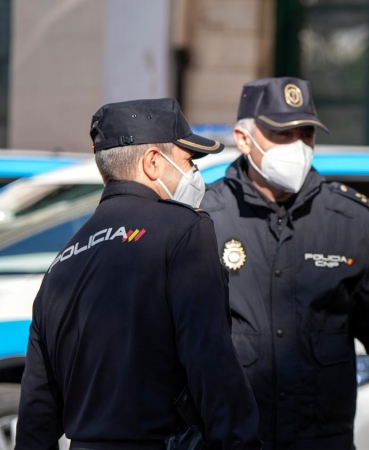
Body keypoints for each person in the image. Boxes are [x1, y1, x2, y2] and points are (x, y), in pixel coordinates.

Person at [16, 98, 261, 450]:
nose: (194, 173)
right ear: (152, 163)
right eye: (189, 161)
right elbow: (212, 363)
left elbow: (37, 414)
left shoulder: (62, 262)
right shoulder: (183, 230)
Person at [201, 77, 369, 450]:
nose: (298, 147)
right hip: (232, 437)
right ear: (243, 138)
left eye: (306, 134)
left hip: (319, 438)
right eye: (282, 135)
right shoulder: (206, 218)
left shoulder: (349, 219)